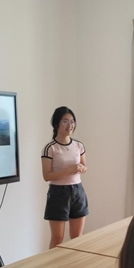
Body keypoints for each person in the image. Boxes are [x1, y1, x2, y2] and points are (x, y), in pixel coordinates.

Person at [41, 106, 89, 248]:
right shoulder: (50, 148)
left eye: (72, 121)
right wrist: (68, 170)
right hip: (58, 193)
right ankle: (54, 263)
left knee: (77, 237)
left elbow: (85, 166)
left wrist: (82, 168)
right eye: (65, 121)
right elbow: (47, 176)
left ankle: (75, 262)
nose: (70, 125)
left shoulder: (78, 145)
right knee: (57, 239)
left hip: (78, 191)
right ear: (56, 123)